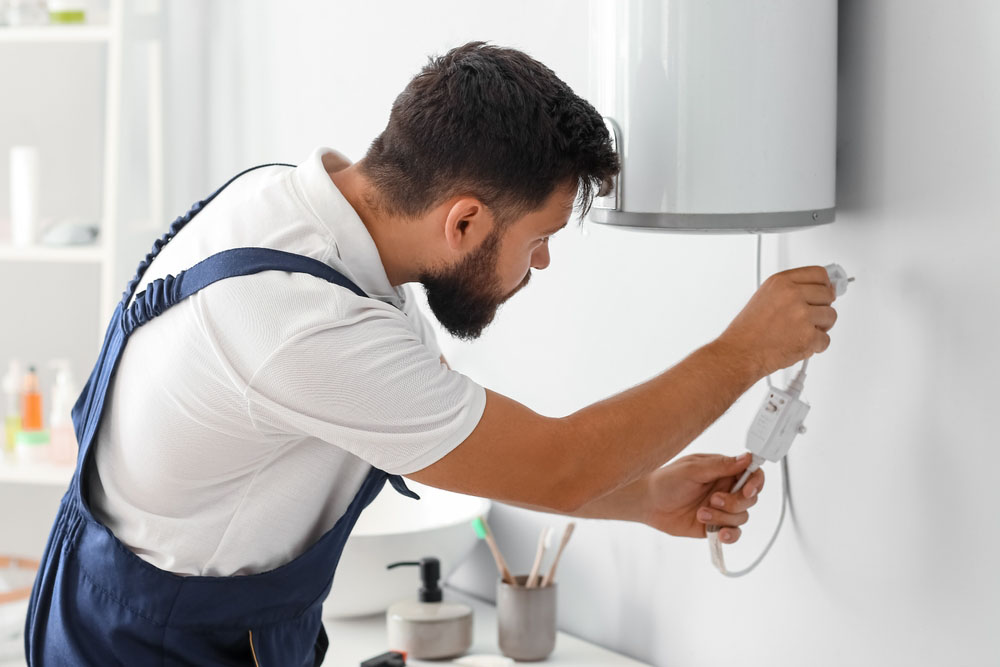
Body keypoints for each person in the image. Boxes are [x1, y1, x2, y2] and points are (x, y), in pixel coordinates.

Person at [25, 41, 837, 665]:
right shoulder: (306, 325)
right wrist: (744, 351)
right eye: (541, 239)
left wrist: (643, 496)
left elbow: (450, 444)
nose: (542, 265)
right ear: (465, 221)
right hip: (149, 642)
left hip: (158, 606)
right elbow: (560, 463)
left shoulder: (303, 216)